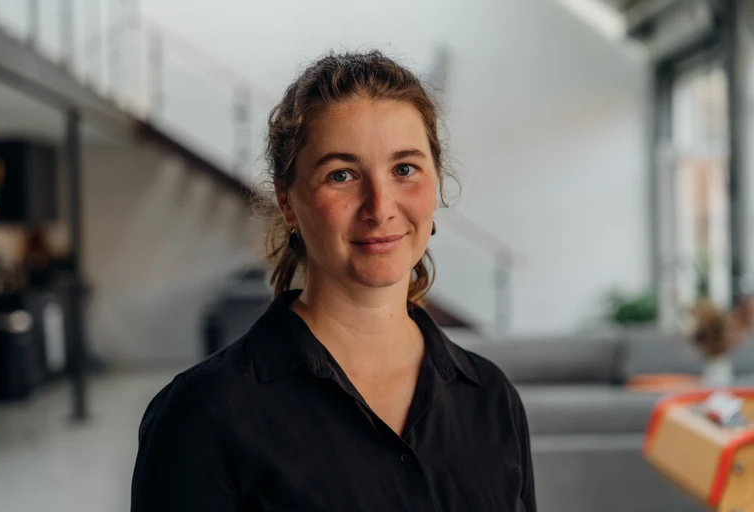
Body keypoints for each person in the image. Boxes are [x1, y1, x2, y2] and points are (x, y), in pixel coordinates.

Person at [131, 50, 536, 511]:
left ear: (436, 183)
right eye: (341, 175)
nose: (380, 207)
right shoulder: (202, 415)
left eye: (404, 169)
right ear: (288, 201)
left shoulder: (491, 399)